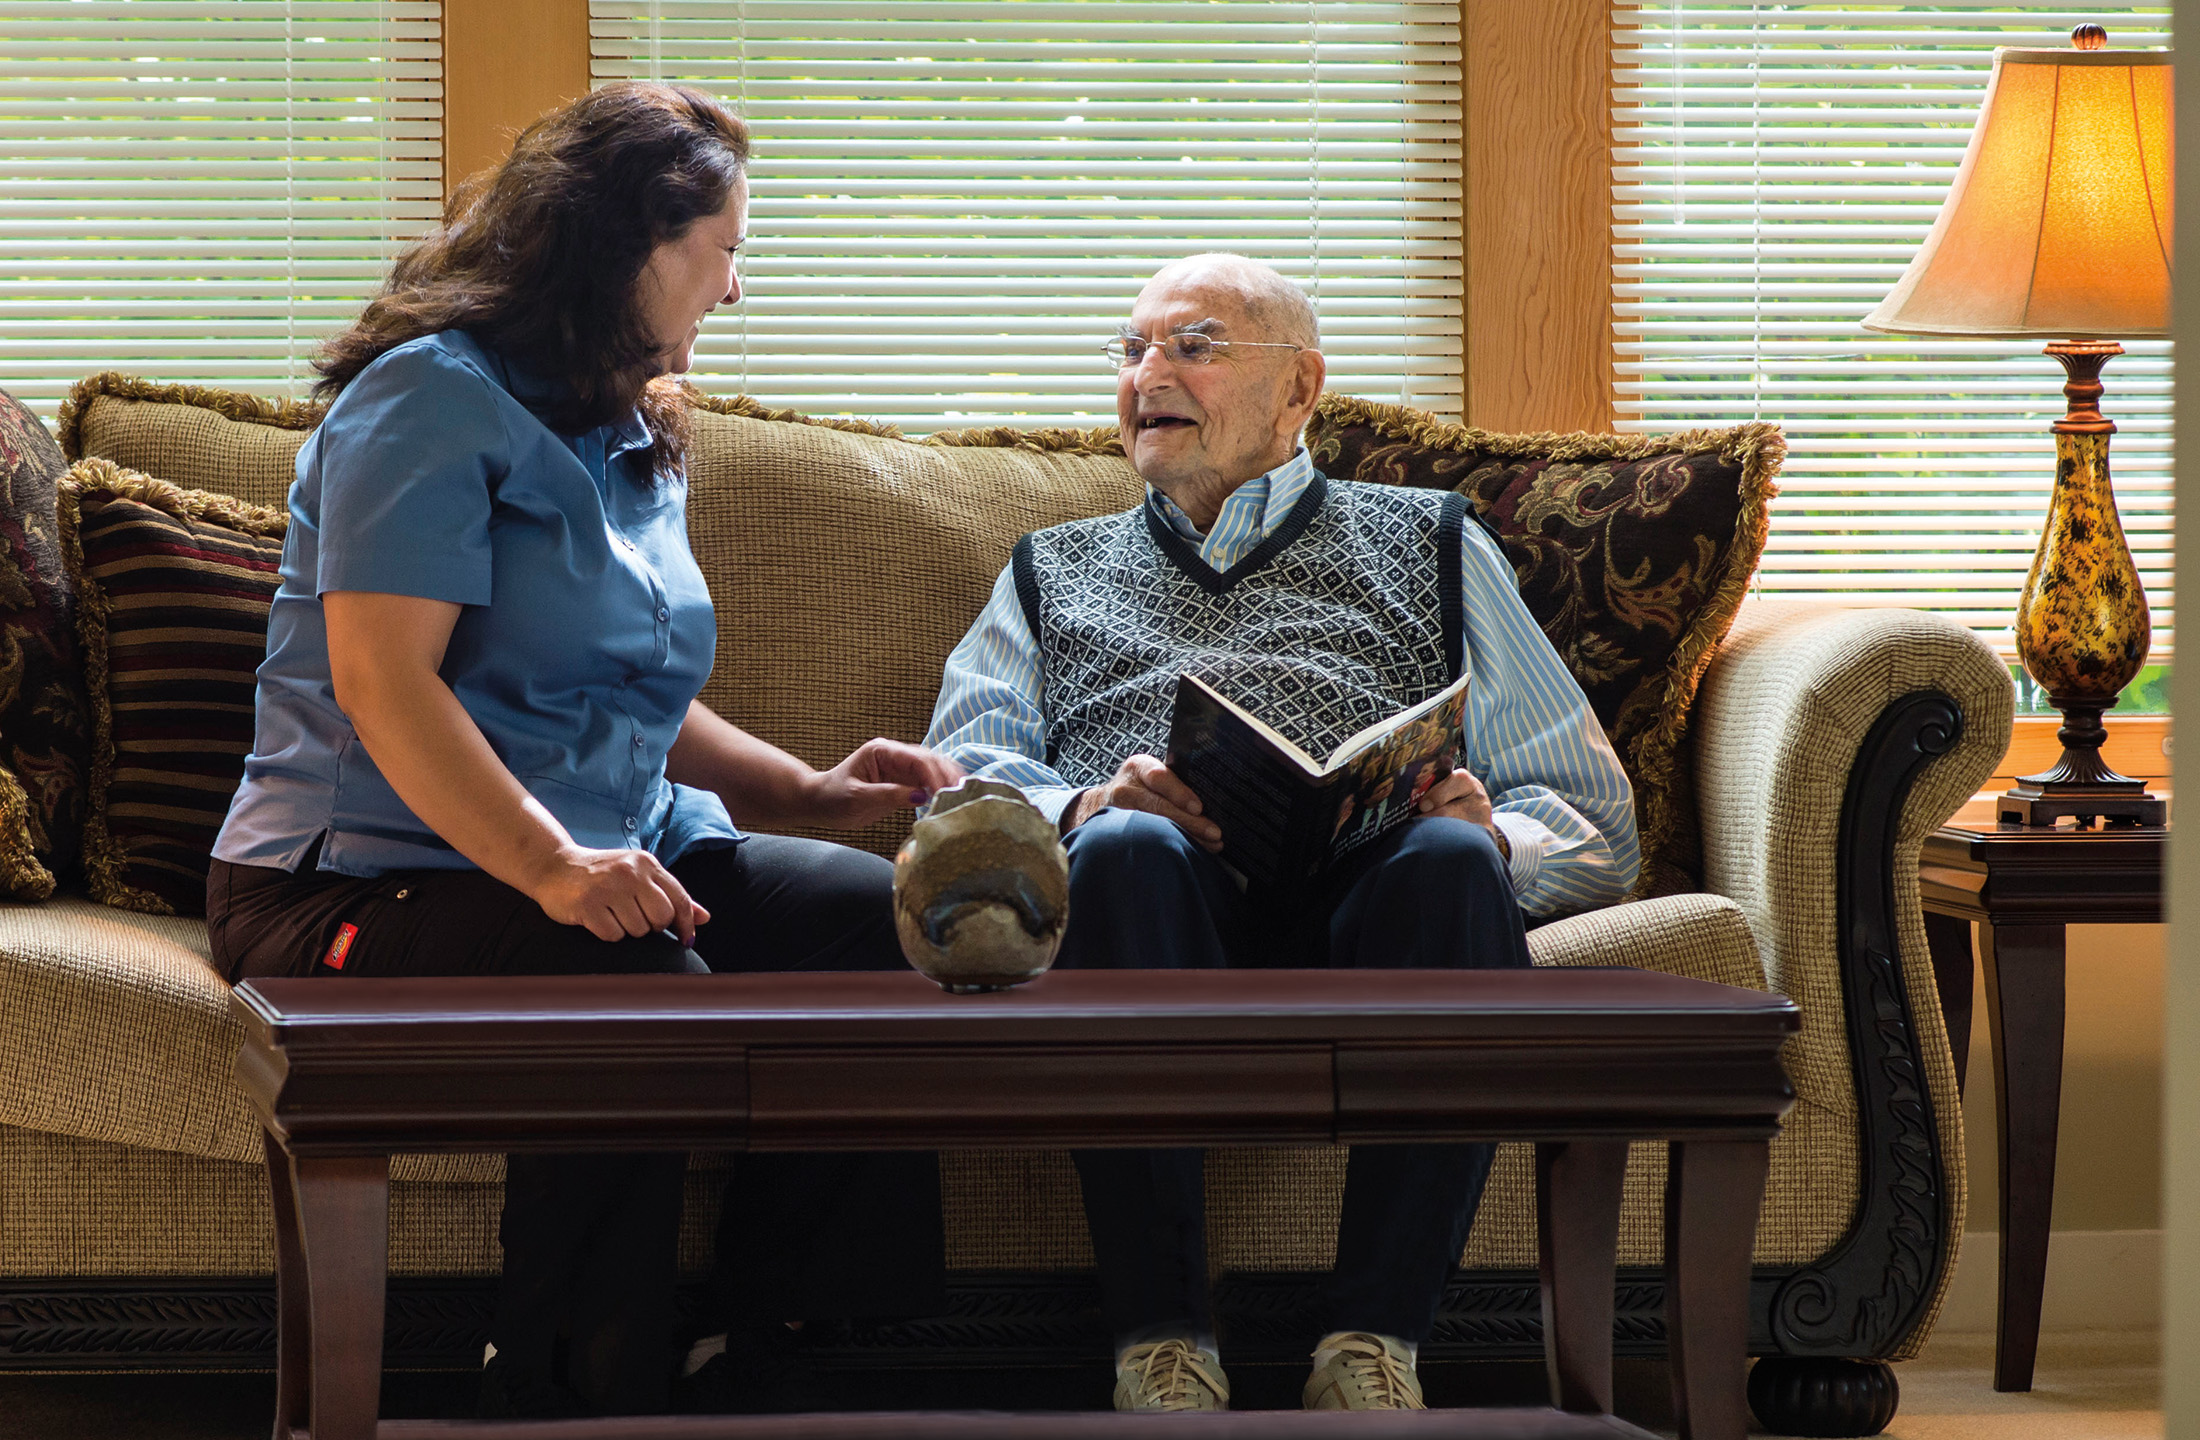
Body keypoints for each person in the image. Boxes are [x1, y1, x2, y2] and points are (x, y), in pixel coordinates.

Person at [205, 83, 954, 1417]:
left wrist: (808, 789)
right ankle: (563, 1384)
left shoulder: (628, 422)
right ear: (631, 244)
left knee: (882, 923)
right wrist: (556, 870)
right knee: (638, 975)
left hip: (601, 845)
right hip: (356, 881)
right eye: (725, 250)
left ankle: (781, 1343)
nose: (735, 290)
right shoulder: (424, 403)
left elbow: (626, 688)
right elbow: (386, 685)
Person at [923, 254, 1638, 1413]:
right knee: (1122, 849)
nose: (1147, 373)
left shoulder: (1433, 540)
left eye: (1193, 345)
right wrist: (1083, 804)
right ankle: (1163, 1347)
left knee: (1458, 859)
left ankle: (1373, 1347)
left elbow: (1591, 812)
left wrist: (1498, 831)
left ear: (1300, 387)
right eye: (1132, 349)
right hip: (1155, 905)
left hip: (1377, 897)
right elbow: (960, 790)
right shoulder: (1051, 568)